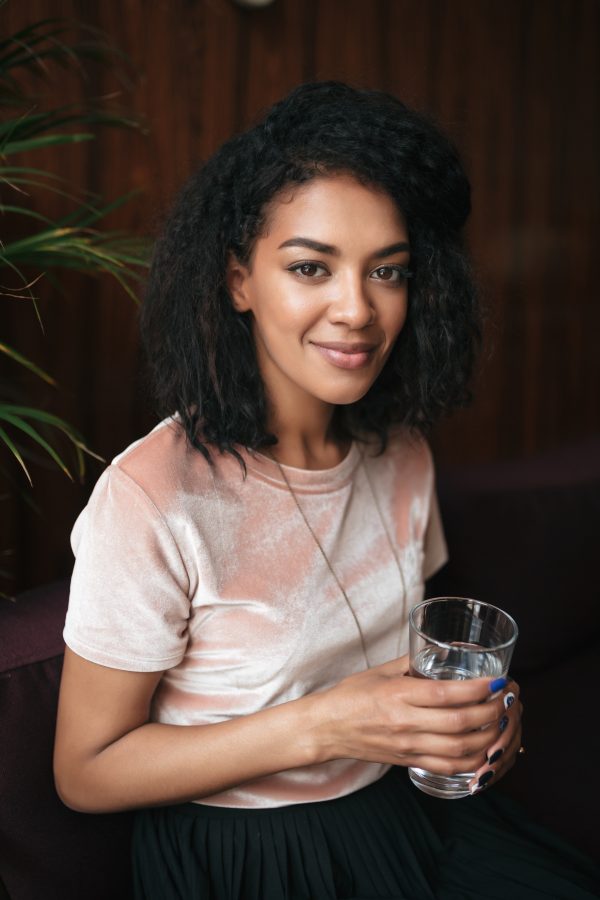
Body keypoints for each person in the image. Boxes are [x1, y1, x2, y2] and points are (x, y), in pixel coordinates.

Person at [54, 82, 598, 899]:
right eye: (311, 267)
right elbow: (85, 772)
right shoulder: (153, 494)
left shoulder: (401, 451)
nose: (357, 310)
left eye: (388, 271)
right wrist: (323, 725)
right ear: (239, 280)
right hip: (243, 855)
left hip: (399, 811)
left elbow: (404, 659)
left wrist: (482, 721)